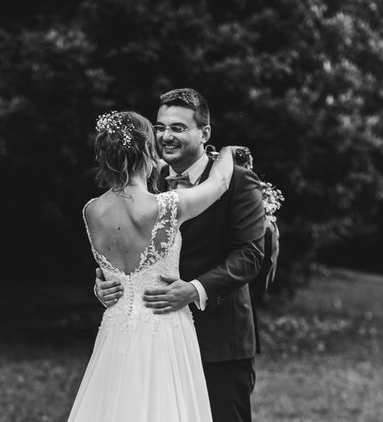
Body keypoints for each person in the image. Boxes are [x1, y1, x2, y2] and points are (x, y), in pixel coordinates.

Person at [95, 88, 265, 422]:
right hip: (154, 343)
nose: (165, 136)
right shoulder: (145, 180)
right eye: (159, 127)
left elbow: (249, 255)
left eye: (177, 128)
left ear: (205, 133)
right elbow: (120, 245)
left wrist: (195, 289)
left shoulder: (239, 181)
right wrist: (104, 283)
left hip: (218, 343)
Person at [68, 110, 238, 422]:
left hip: (115, 331)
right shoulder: (168, 206)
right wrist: (227, 152)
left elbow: (113, 274)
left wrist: (100, 287)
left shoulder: (91, 211)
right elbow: (222, 181)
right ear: (148, 153)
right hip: (164, 330)